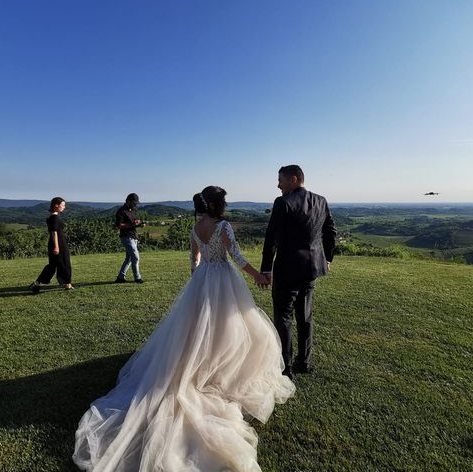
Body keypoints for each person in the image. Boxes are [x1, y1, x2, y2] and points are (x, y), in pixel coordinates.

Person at [73, 186, 294, 472]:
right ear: (216, 204)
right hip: (223, 279)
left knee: (199, 331)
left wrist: (198, 285)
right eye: (223, 201)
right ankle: (218, 372)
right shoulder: (222, 226)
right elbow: (236, 256)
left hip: (203, 281)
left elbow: (194, 260)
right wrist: (257, 276)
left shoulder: (195, 228)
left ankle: (202, 366)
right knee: (229, 329)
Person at [261, 165, 336, 379]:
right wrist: (327, 258)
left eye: (281, 181)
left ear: (293, 179)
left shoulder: (283, 202)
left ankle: (286, 369)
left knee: (283, 317)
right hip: (312, 268)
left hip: (287, 269)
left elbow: (271, 239)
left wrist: (266, 268)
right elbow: (330, 232)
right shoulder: (321, 200)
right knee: (305, 316)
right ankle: (304, 362)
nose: (278, 185)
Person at [30, 197, 74, 293]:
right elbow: (54, 233)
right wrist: (57, 247)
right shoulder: (54, 218)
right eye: (63, 205)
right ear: (56, 205)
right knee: (65, 263)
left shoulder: (52, 217)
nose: (64, 207)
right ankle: (67, 284)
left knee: (52, 265)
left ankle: (36, 284)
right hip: (59, 244)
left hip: (55, 243)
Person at [114, 193, 145, 283]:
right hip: (126, 237)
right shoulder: (121, 211)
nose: (135, 204)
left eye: (136, 203)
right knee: (135, 257)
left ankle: (120, 277)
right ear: (128, 201)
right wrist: (132, 224)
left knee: (129, 258)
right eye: (134, 203)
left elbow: (134, 222)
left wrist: (140, 223)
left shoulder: (133, 210)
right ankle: (137, 278)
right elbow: (118, 225)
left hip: (133, 236)